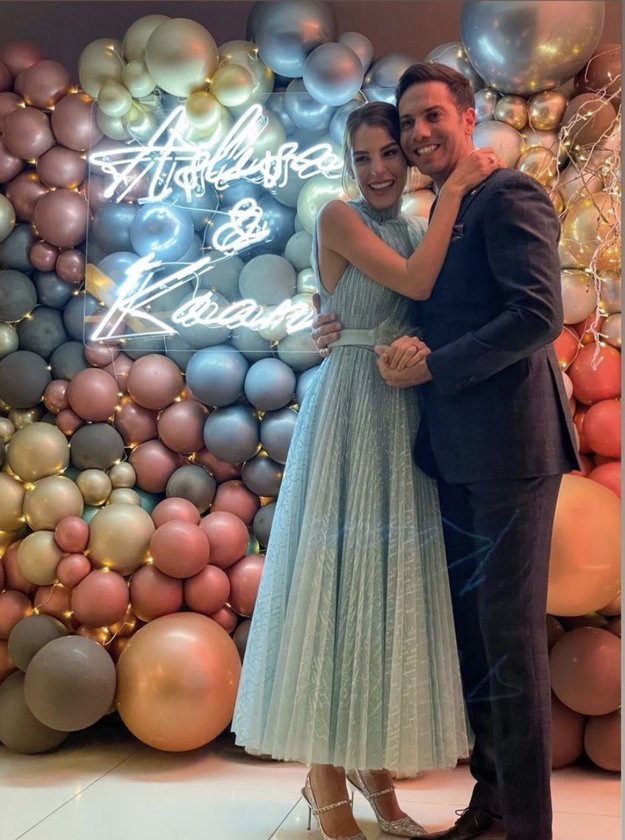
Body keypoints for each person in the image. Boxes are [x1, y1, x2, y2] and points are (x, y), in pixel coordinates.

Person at [312, 64, 581, 840]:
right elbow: (412, 301)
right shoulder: (435, 213)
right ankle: (490, 805)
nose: (418, 133)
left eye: (432, 115)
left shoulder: (508, 195)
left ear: (467, 117)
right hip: (452, 452)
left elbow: (536, 314)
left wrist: (433, 365)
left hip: (510, 449)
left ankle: (524, 825)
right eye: (407, 121)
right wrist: (333, 320)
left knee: (510, 643)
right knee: (479, 641)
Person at [232, 100, 499, 840]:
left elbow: (429, 309)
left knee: (381, 591)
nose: (378, 169)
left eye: (389, 153)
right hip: (350, 408)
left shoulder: (415, 225)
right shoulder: (338, 217)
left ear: (405, 157)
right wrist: (453, 188)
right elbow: (414, 283)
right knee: (332, 581)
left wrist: (420, 346)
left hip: (400, 412)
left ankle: (371, 770)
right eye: (363, 157)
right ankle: (324, 780)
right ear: (347, 165)